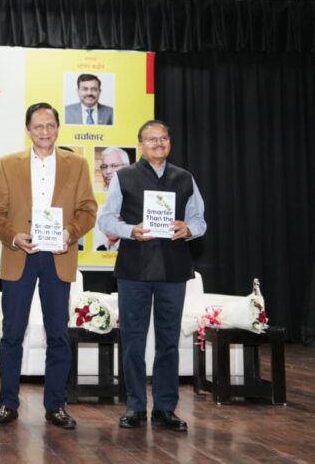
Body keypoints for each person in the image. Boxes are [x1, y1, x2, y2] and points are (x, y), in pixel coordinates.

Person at [0, 102, 97, 429]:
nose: (45, 132)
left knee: (58, 334)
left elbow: (88, 210)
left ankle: (56, 405)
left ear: (58, 128)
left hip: (58, 256)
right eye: (38, 126)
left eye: (50, 126)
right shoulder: (8, 164)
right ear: (28, 130)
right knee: (11, 334)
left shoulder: (77, 164)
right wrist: (13, 237)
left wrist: (69, 232)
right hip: (20, 254)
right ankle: (7, 404)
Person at [98, 120, 206, 432]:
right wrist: (129, 230)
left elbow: (200, 221)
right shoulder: (124, 176)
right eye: (151, 139)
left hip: (174, 269)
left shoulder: (185, 178)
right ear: (140, 145)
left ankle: (165, 408)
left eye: (163, 138)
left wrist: (188, 229)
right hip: (134, 269)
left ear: (169, 142)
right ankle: (135, 406)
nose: (158, 144)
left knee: (168, 341)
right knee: (133, 341)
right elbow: (106, 219)